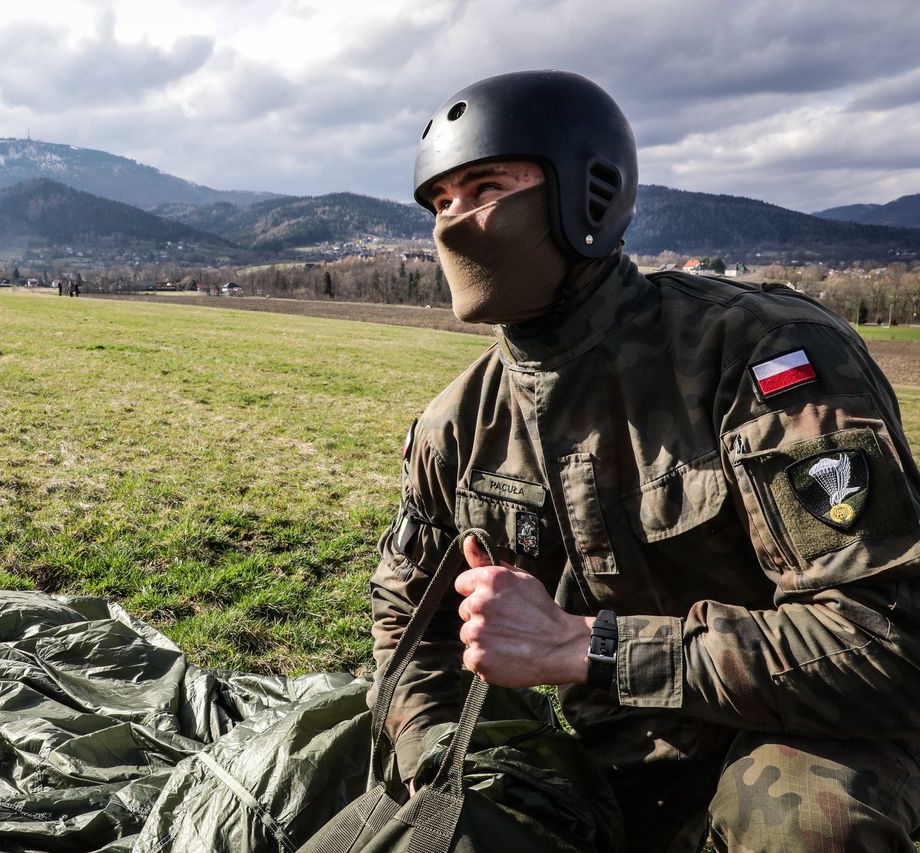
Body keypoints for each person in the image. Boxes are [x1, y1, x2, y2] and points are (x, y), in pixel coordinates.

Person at [370, 69, 920, 852]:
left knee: (804, 823)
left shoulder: (761, 356)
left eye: (484, 186)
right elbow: (406, 628)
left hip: (804, 735)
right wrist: (439, 760)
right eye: (439, 203)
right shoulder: (456, 425)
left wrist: (586, 644)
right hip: (607, 768)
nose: (454, 222)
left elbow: (887, 640)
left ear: (585, 194)